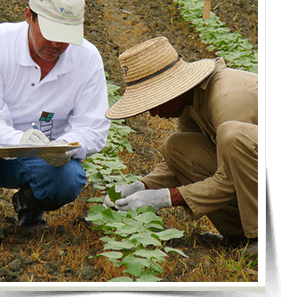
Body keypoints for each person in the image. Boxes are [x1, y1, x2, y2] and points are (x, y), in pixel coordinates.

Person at [0, 0, 110, 237]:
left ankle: (30, 203)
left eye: (67, 37)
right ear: (29, 16)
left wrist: (66, 145)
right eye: (52, 34)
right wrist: (19, 139)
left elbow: (93, 127)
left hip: (42, 159)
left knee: (68, 180)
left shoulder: (87, 59)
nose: (57, 45)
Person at [104, 36, 258, 258]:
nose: (152, 113)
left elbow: (228, 179)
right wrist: (141, 186)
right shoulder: (192, 100)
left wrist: (166, 198)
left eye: (153, 103)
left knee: (231, 136)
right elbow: (180, 162)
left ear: (172, 89)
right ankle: (240, 236)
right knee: (176, 148)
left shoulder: (226, 100)